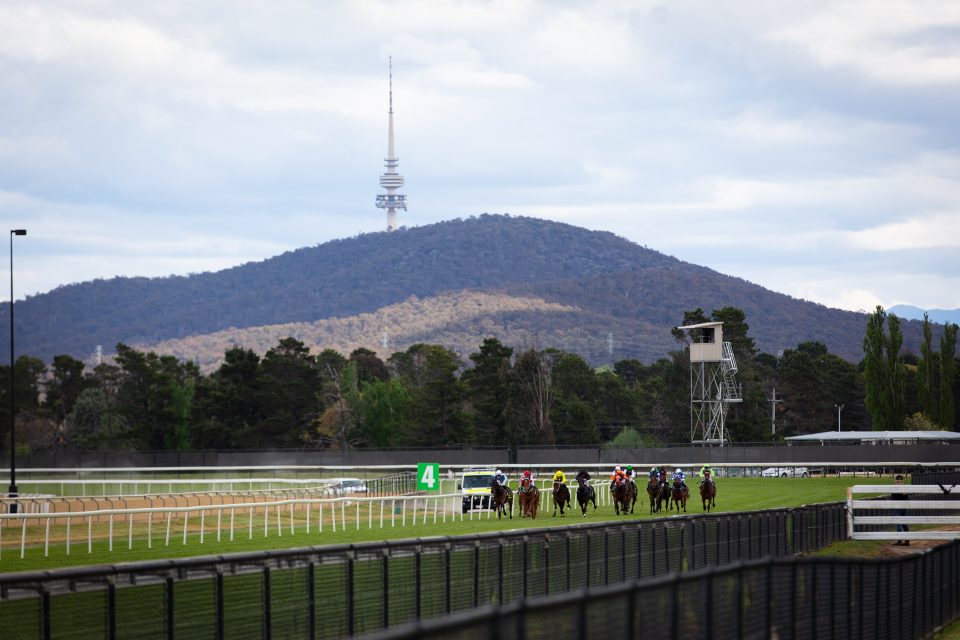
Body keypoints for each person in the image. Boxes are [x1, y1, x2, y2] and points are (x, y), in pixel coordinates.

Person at [892, 474, 910, 546]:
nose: (898, 482)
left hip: (898, 507)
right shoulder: (904, 488)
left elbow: (893, 497)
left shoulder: (896, 488)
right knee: (904, 523)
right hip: (903, 507)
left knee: (899, 522)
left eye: (898, 481)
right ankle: (907, 541)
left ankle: (899, 540)